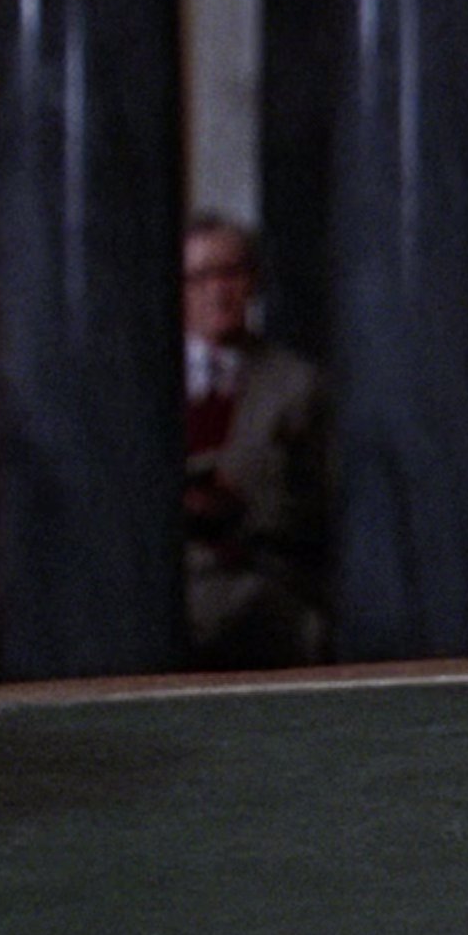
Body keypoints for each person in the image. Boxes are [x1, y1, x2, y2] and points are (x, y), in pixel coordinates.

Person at [180, 214, 331, 668]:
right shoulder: (139, 384)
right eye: (200, 277)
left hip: (262, 583)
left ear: (254, 281)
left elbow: (328, 501)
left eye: (231, 273)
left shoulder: (298, 384)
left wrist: (242, 505)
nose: (218, 290)